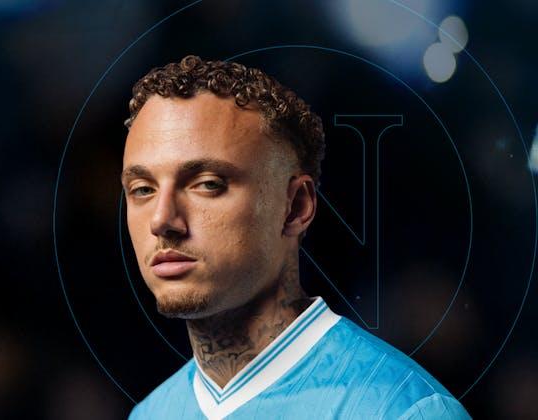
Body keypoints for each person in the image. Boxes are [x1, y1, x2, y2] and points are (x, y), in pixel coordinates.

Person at [122, 55, 471, 419]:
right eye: (143, 189)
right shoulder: (149, 415)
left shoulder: (400, 410)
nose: (161, 220)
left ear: (295, 207)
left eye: (208, 184)